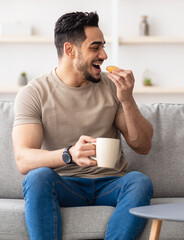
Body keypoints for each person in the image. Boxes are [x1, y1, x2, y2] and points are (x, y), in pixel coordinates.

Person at [12, 11, 154, 239]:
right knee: (37, 178)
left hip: (110, 183)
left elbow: (142, 145)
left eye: (103, 47)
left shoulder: (111, 87)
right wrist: (69, 154)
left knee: (139, 181)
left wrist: (127, 99)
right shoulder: (34, 93)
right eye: (95, 47)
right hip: (65, 184)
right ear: (70, 50)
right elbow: (23, 159)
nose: (104, 55)